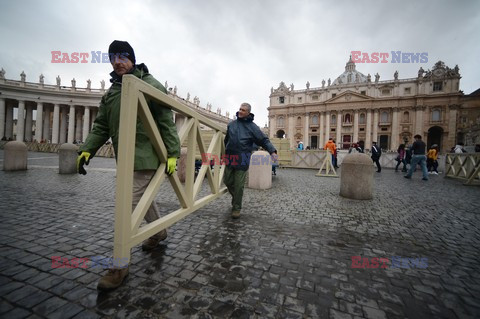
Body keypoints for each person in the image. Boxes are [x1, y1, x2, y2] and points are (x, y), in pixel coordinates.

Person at [77, 40, 180, 291]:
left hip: (145, 155)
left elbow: (166, 119)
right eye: (113, 57)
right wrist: (87, 148)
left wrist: (173, 153)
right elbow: (102, 125)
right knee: (142, 198)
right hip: (125, 157)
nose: (117, 61)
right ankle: (159, 232)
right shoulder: (112, 92)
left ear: (132, 58)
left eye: (123, 56)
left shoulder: (150, 83)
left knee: (127, 205)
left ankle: (119, 265)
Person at [224, 103, 276, 219]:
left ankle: (236, 207)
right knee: (227, 181)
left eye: (243, 110)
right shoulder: (231, 125)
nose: (240, 111)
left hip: (243, 158)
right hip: (230, 157)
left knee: (238, 185)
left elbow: (263, 140)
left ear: (248, 112)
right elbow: (226, 140)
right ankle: (236, 198)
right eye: (240, 109)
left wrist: (272, 151)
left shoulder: (253, 127)